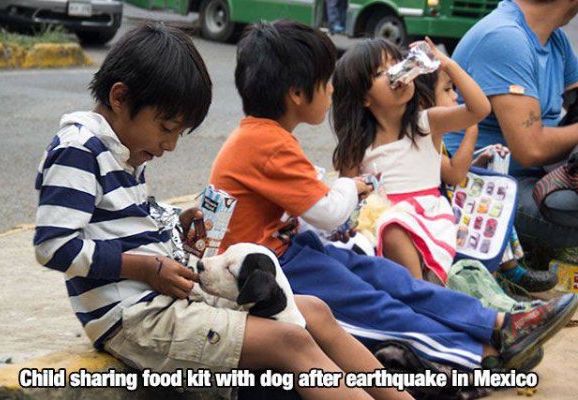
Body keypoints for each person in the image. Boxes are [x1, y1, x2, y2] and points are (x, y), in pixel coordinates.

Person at [33, 23, 414, 400]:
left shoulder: (123, 151)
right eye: (166, 127)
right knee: (291, 342)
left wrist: (175, 220)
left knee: (315, 311)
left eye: (178, 133)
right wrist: (147, 268)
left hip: (163, 302)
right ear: (120, 98)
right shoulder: (79, 150)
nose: (169, 145)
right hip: (136, 320)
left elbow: (122, 220)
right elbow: (55, 246)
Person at [209, 19, 578, 373]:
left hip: (289, 250)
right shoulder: (266, 144)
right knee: (374, 305)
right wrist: (350, 187)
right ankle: (478, 353)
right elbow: (329, 211)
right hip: (270, 269)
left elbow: (306, 209)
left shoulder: (266, 138)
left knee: (390, 278)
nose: (333, 91)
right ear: (297, 93)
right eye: (326, 83)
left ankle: (500, 323)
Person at [331, 38, 491, 283]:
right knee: (378, 232)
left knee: (393, 227)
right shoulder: (358, 145)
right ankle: (416, 295)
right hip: (378, 223)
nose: (397, 74)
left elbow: (479, 109)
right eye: (381, 73)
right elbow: (347, 200)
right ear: (364, 98)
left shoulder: (426, 123)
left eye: (398, 64)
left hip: (428, 218)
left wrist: (445, 64)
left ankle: (420, 296)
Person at [446, 0, 578, 250]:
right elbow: (531, 150)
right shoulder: (505, 39)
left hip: (536, 176)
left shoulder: (554, 38)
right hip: (486, 189)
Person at [415, 69, 558, 293]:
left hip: (446, 202)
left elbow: (451, 174)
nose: (454, 96)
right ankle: (505, 276)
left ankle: (511, 269)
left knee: (496, 197)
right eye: (447, 89)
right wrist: (472, 129)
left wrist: (480, 161)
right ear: (424, 102)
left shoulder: (433, 134)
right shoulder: (422, 137)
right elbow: (454, 174)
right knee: (491, 211)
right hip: (435, 216)